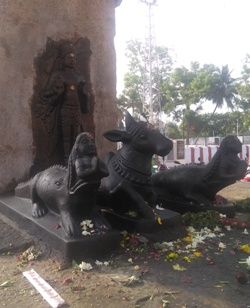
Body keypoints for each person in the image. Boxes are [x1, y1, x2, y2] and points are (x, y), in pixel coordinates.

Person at [41, 42, 89, 164]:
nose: (71, 60)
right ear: (62, 59)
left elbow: (85, 101)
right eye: (68, 57)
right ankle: (66, 160)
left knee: (77, 136)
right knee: (66, 138)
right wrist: (58, 91)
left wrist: (84, 93)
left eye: (73, 58)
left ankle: (76, 160)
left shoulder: (79, 77)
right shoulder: (59, 75)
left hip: (76, 110)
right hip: (65, 109)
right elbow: (47, 94)